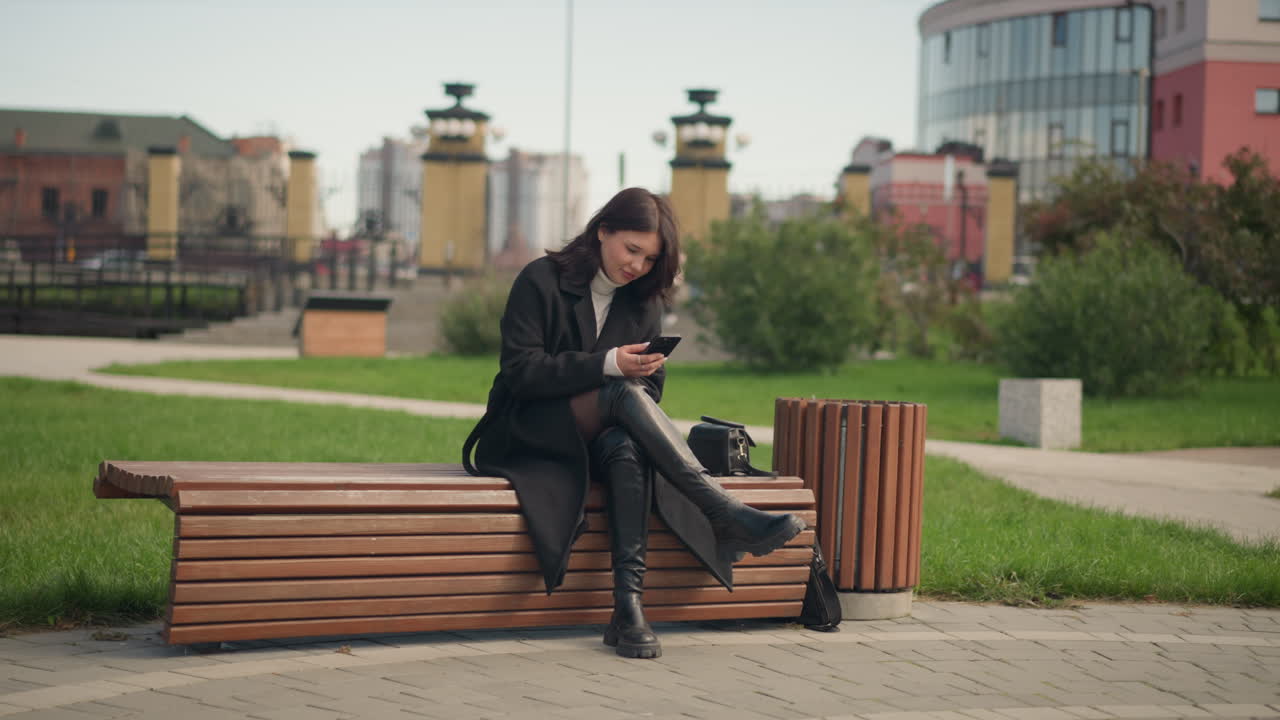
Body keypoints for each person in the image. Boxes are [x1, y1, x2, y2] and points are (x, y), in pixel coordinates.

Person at [462, 187, 804, 659]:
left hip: (599, 435)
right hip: (526, 429)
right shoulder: (541, 279)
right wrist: (608, 366)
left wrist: (627, 375)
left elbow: (653, 392)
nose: (638, 266)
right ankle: (721, 510)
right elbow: (520, 373)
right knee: (621, 392)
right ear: (603, 230)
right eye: (632, 250)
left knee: (625, 445)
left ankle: (628, 608)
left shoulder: (643, 301)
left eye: (649, 258)